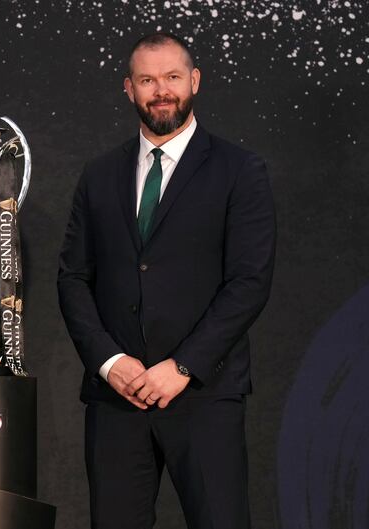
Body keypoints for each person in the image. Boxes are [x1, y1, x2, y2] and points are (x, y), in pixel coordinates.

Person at [57, 33, 276, 529]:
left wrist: (181, 367)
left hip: (204, 393)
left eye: (173, 77)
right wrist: (109, 362)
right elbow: (73, 277)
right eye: (147, 79)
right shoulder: (99, 174)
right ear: (128, 89)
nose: (161, 90)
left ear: (194, 82)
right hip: (117, 397)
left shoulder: (240, 170)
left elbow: (249, 282)